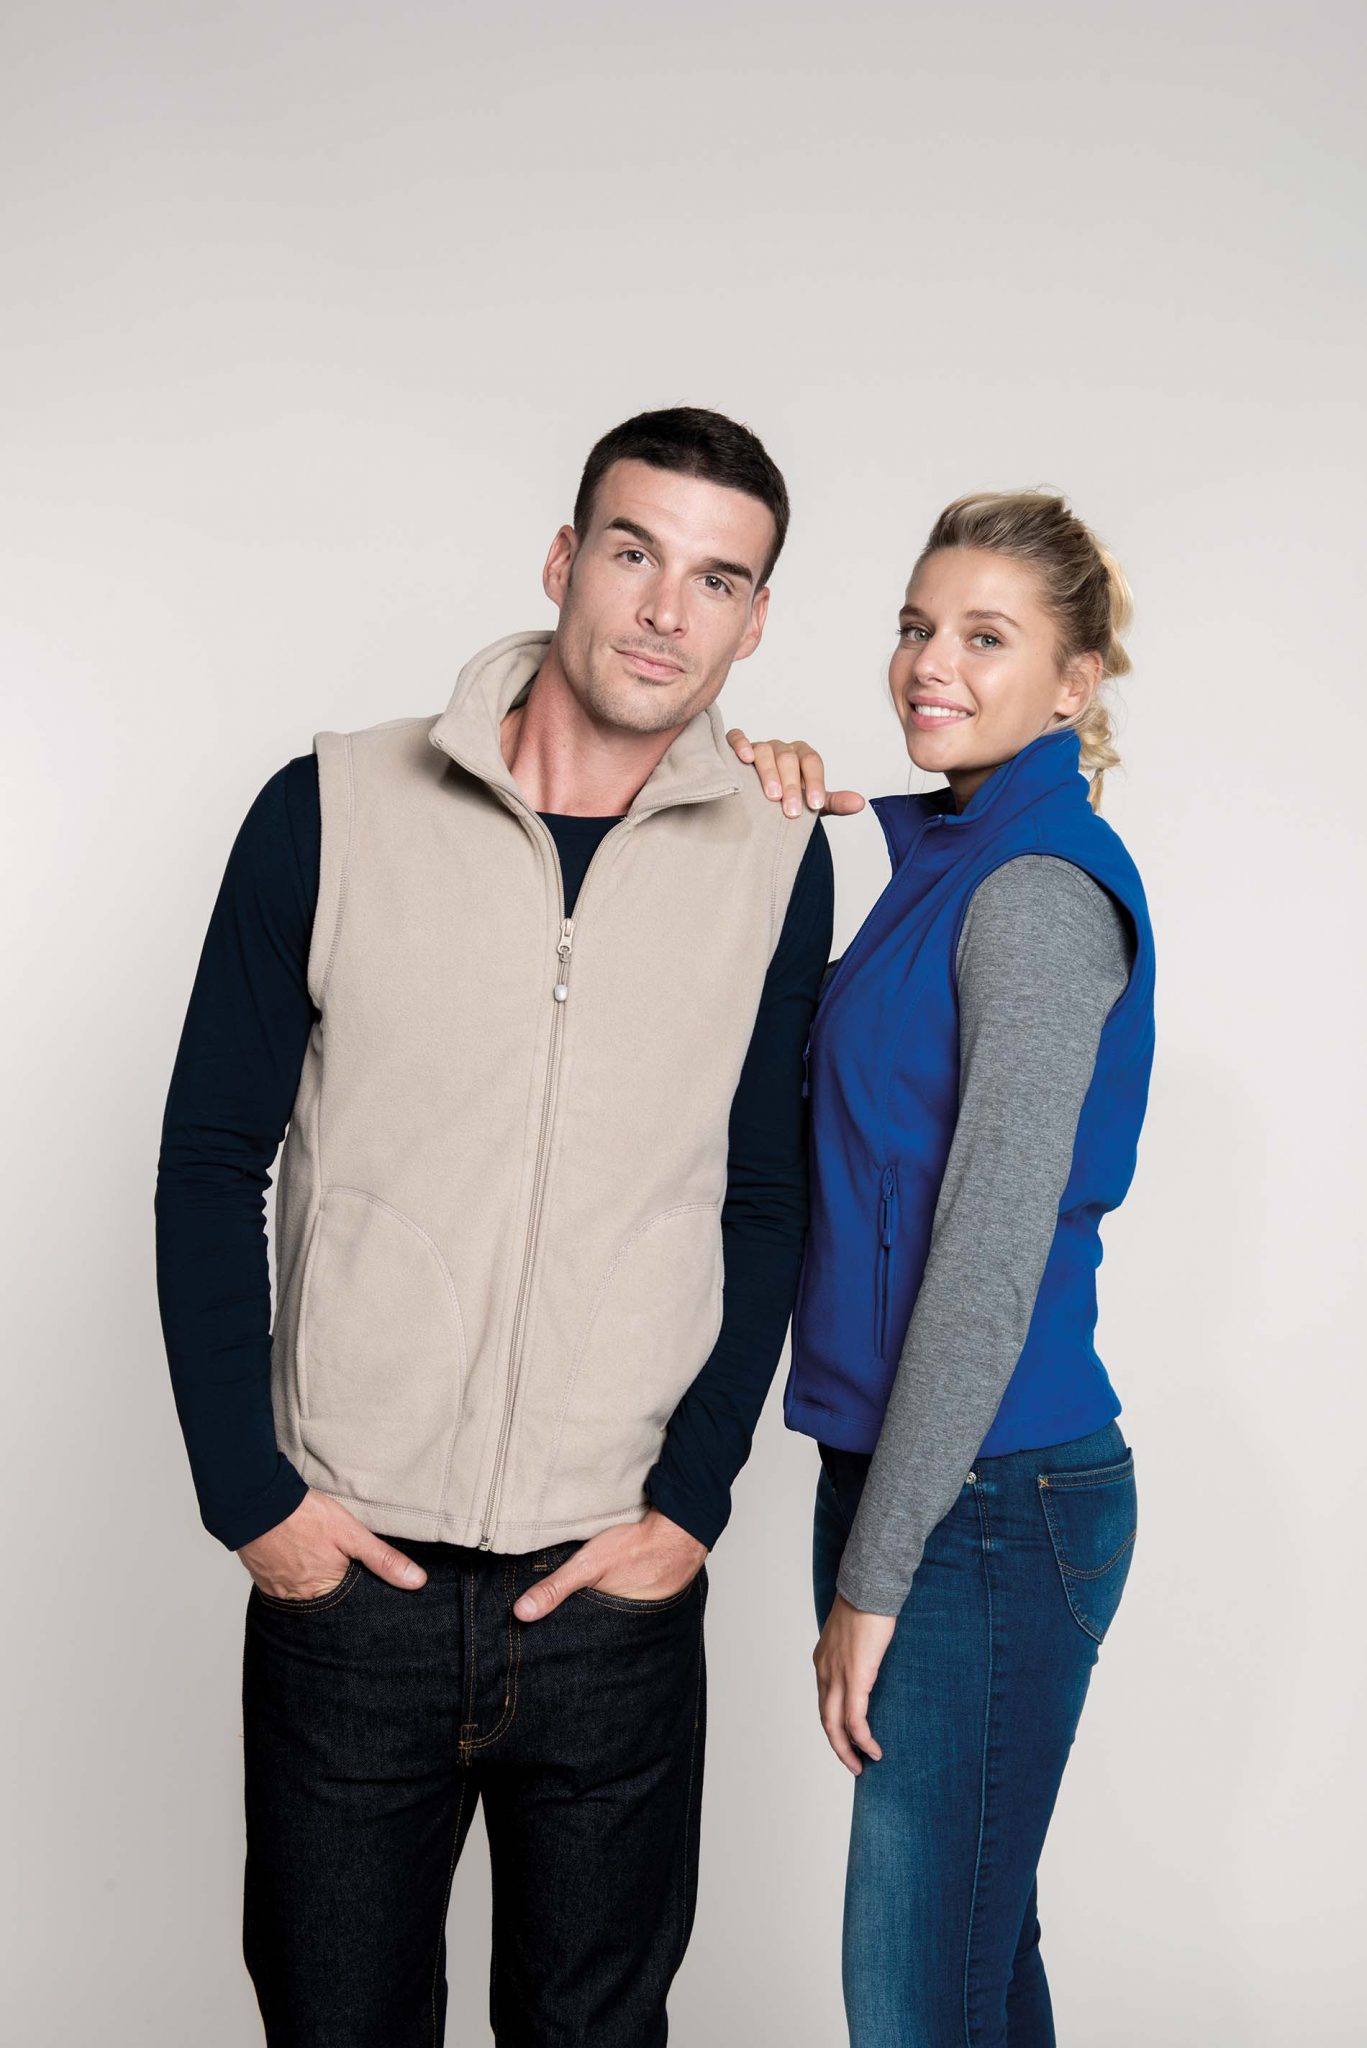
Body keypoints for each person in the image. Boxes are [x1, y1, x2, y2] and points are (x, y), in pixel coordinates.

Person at [154, 406, 833, 2046]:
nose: (666, 609)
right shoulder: (330, 807)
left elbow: (765, 1196)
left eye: (718, 579)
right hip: (349, 1585)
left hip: (613, 1596)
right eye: (634, 552)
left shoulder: (777, 859)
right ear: (561, 560)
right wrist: (252, 1500)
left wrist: (690, 1505)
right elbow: (208, 1160)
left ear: (755, 623)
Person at [728, 491, 1156, 2046]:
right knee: (974, 1960)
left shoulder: (1034, 892)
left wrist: (877, 1573)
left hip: (986, 1497)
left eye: (986, 637)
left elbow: (982, 1262)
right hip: (916, 1477)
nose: (930, 663)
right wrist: (731, 804)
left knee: (917, 2001)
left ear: (1073, 682)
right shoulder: (940, 865)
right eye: (918, 626)